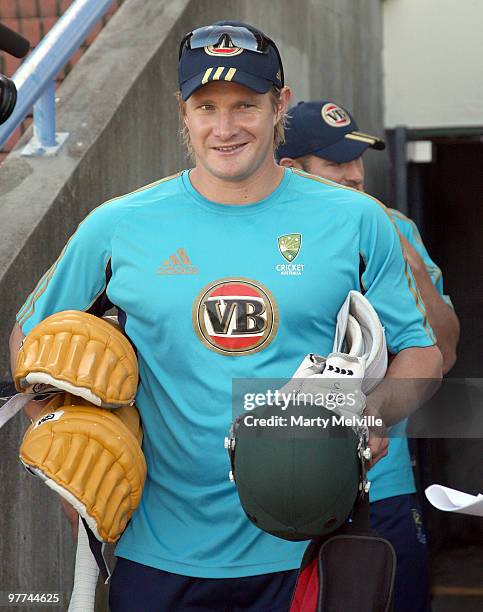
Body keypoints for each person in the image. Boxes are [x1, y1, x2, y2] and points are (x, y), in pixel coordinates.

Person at [9, 22, 442, 612]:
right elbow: (31, 338)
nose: (225, 127)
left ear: (279, 105)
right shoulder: (118, 226)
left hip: (306, 548)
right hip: (156, 551)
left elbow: (422, 352)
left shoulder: (356, 220)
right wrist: (55, 427)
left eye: (246, 106)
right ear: (183, 113)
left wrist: (372, 411)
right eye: (205, 106)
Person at [277, 99, 459, 612]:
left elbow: (442, 351)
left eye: (358, 159)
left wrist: (410, 266)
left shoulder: (391, 225)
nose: (357, 174)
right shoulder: (257, 232)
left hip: (381, 484)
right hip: (278, 481)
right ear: (292, 169)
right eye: (338, 162)